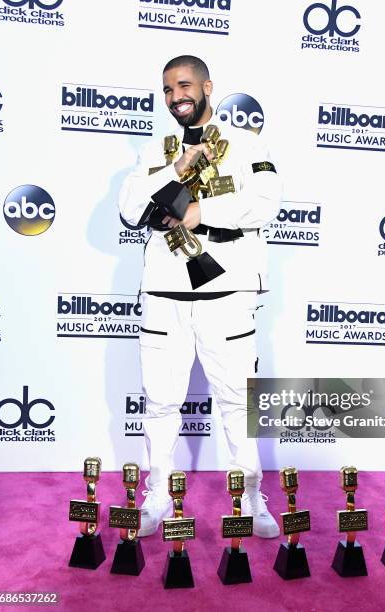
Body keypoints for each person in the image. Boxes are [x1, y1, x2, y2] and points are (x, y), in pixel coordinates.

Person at [119, 55, 281, 538]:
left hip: (225, 289)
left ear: (207, 86)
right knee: (161, 401)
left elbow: (264, 204)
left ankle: (251, 497)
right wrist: (175, 167)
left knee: (235, 400)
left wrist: (200, 212)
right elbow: (130, 210)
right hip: (165, 291)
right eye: (168, 90)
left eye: (184, 85)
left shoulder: (248, 142)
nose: (176, 97)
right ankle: (157, 497)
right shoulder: (155, 150)